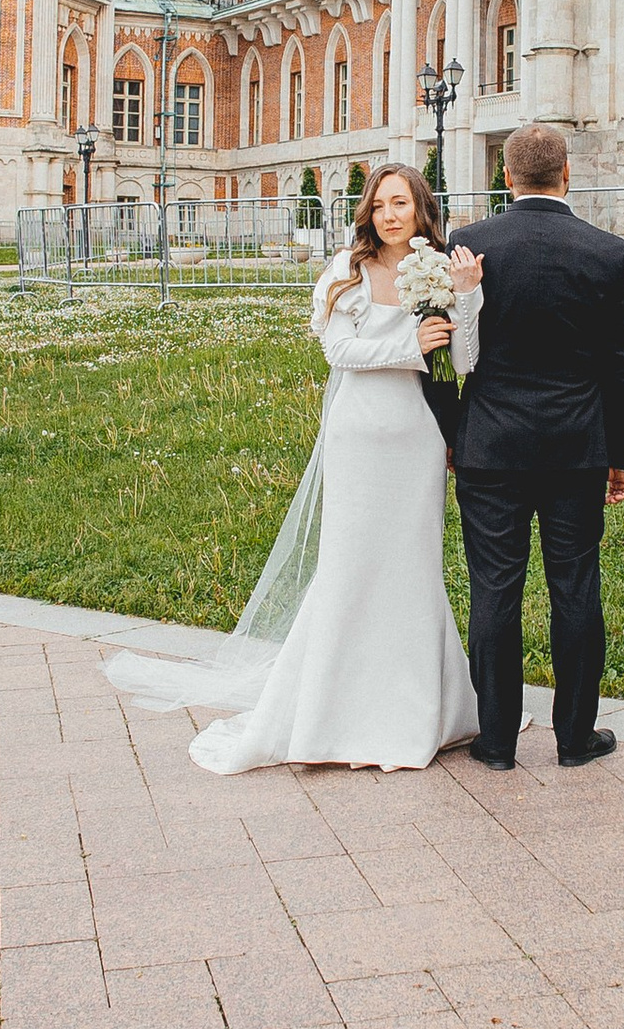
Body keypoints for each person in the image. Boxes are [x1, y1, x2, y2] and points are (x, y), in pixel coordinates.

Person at [102, 163, 479, 774]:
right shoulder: (347, 268)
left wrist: (467, 296)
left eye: (401, 203)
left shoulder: (435, 267)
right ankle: (332, 710)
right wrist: (409, 348)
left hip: (417, 439)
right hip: (359, 435)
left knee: (413, 568)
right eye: (380, 204)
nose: (389, 215)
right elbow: (339, 350)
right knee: (350, 564)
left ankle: (419, 709)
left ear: (421, 209)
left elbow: (461, 362)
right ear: (367, 211)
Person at [444, 121, 624, 771]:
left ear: (506, 177)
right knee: (575, 586)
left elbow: (446, 352)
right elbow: (623, 366)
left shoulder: (470, 244)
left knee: (494, 589)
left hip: (490, 446)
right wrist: (621, 456)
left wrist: (452, 434)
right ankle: (575, 738)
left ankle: (497, 741)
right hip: (575, 447)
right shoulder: (605, 252)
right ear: (566, 173)